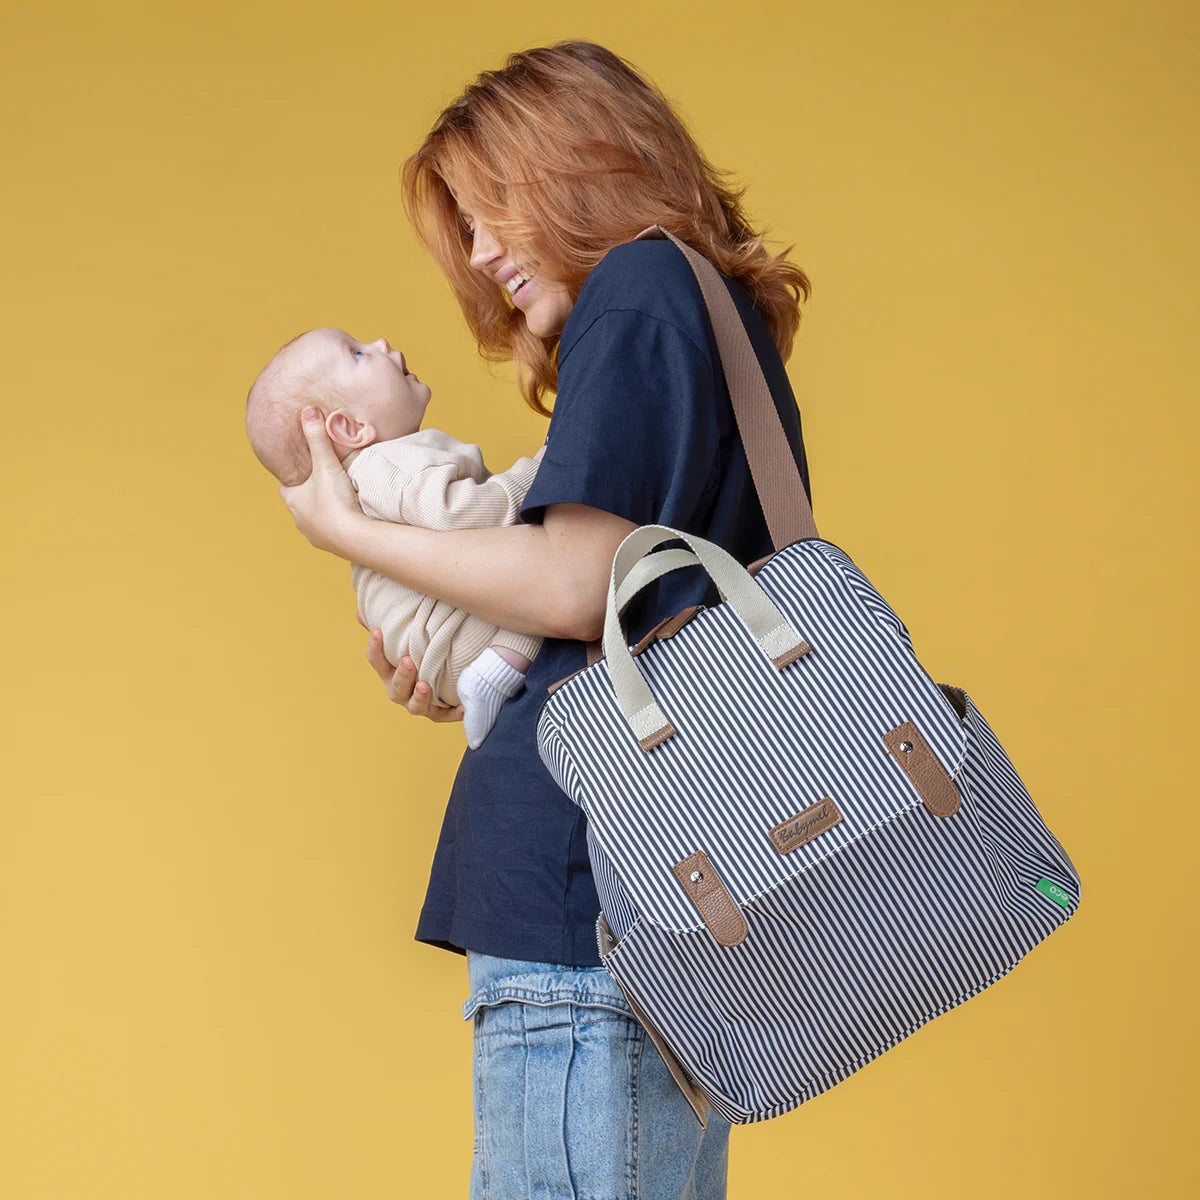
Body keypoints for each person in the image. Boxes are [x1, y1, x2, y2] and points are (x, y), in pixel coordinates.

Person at [278, 40, 814, 1199]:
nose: (477, 256)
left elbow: (577, 580)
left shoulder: (635, 288)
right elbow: (614, 606)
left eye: (488, 214)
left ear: (575, 165)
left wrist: (343, 531)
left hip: (590, 903)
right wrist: (465, 653)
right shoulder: (697, 303)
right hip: (664, 889)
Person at [245, 325, 548, 749]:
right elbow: (467, 513)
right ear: (351, 428)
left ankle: (494, 673)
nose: (380, 344)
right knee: (549, 583)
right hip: (453, 636)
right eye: (355, 353)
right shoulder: (388, 466)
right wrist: (541, 469)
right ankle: (498, 669)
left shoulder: (375, 478)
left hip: (428, 653)